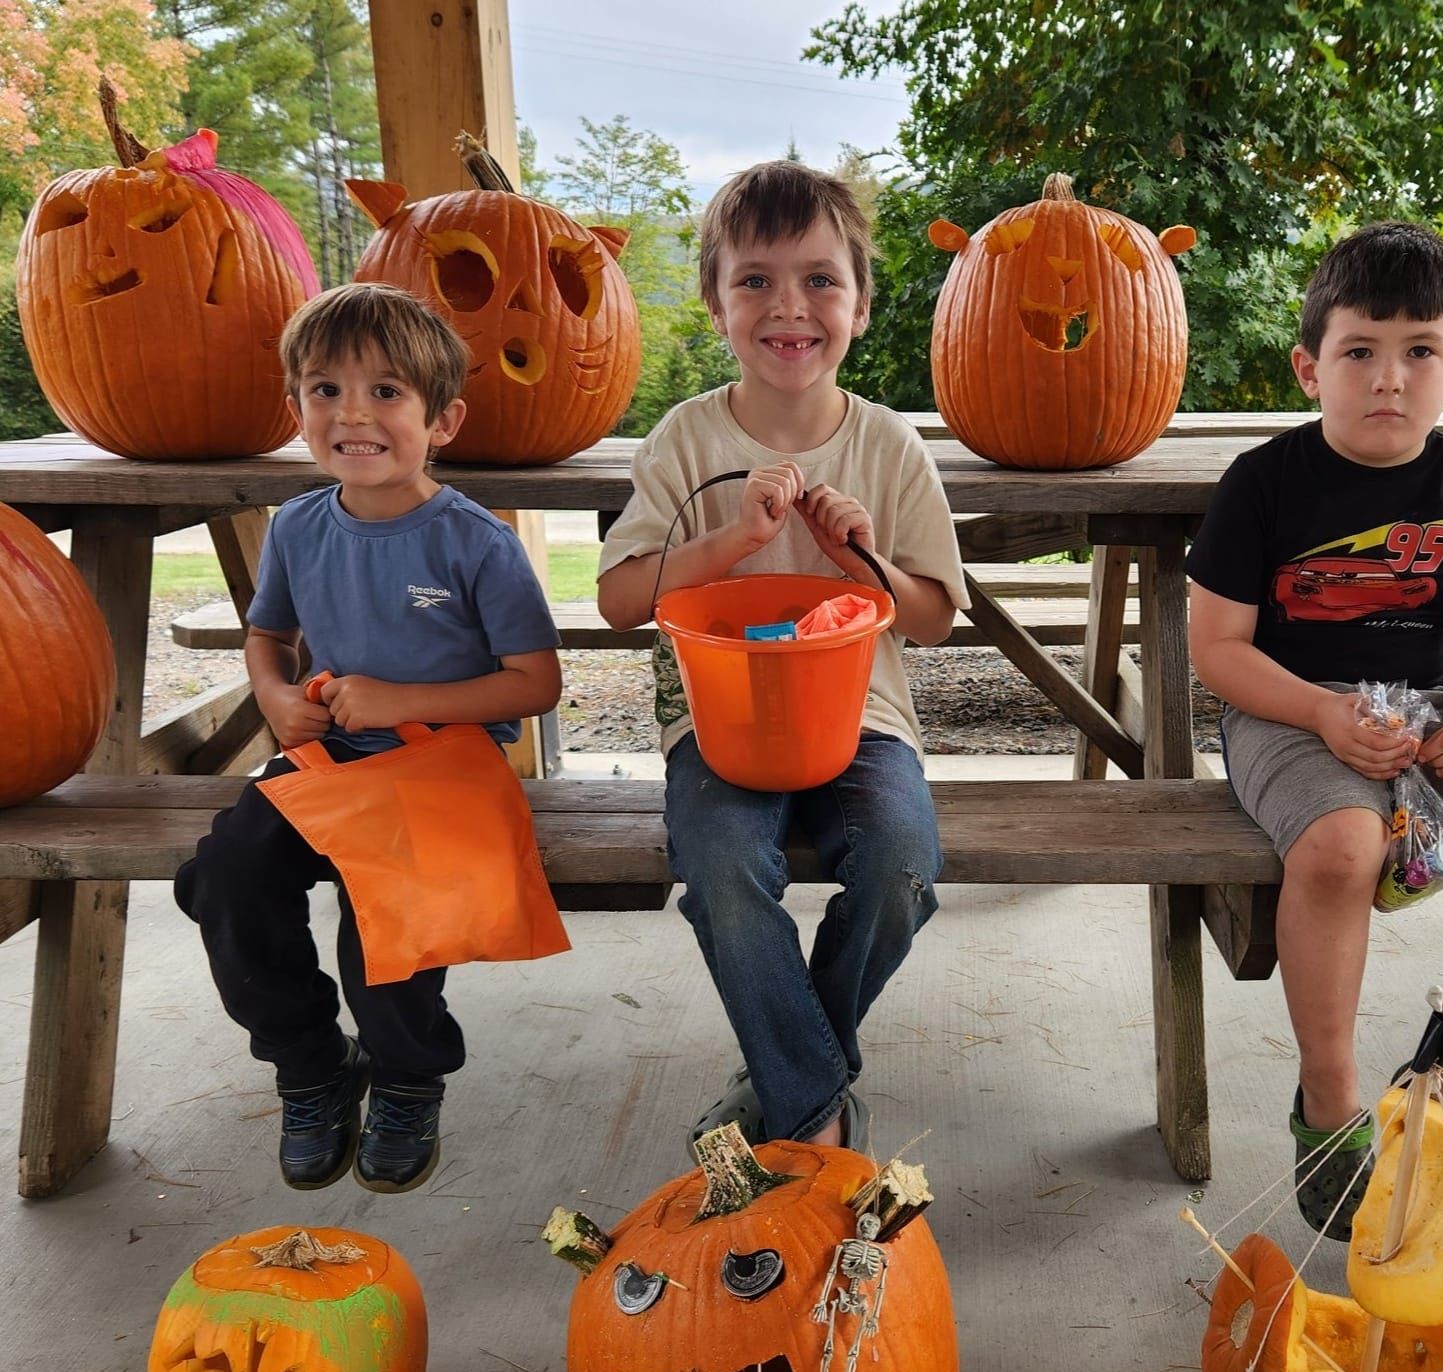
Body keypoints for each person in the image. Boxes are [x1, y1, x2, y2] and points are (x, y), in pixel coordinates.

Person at [1186, 221, 1443, 1237]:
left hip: (1423, 709)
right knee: (1341, 846)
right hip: (1283, 707)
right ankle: (1330, 1103)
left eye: (1419, 351)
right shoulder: (1261, 484)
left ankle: (1439, 1093)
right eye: (1359, 351)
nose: (1388, 379)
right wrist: (1317, 710)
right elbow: (1216, 649)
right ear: (1311, 367)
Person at [598, 160, 968, 1154]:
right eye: (754, 280)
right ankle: (814, 1106)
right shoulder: (685, 438)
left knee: (901, 866)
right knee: (719, 868)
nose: (786, 305)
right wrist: (732, 542)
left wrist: (863, 556)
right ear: (716, 301)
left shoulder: (889, 446)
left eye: (817, 279)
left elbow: (930, 619)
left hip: (863, 725)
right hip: (717, 726)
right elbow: (620, 595)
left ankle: (789, 1066)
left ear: (859, 303)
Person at [175, 283, 562, 1193]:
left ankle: (407, 1075)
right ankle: (311, 1063)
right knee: (225, 877)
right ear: (296, 408)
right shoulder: (302, 527)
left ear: (443, 419)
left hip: (443, 764)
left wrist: (397, 699)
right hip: (323, 757)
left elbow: (535, 683)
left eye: (386, 392)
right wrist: (273, 692)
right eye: (325, 390)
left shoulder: (476, 544)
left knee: (384, 912)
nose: (353, 413)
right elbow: (266, 634)